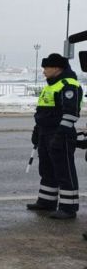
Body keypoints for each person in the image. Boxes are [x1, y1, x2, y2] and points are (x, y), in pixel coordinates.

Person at [27, 52, 83, 219]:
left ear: (57, 68)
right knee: (47, 168)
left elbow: (71, 114)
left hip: (61, 133)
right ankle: (46, 202)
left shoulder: (69, 85)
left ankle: (69, 208)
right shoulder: (50, 86)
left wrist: (60, 134)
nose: (44, 71)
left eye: (47, 67)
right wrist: (37, 131)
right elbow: (43, 111)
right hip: (45, 133)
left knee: (64, 170)